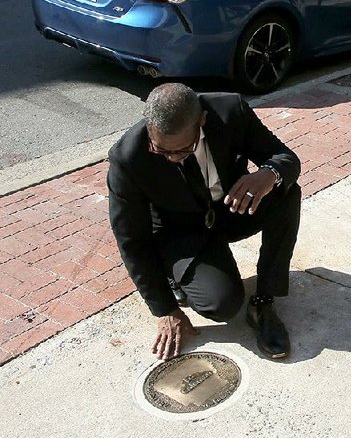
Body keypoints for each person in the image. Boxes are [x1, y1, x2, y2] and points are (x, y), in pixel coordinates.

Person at [107, 83, 302, 361]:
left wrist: (268, 174)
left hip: (231, 207)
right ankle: (173, 273)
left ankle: (263, 303)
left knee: (287, 193)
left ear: (203, 121)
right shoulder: (128, 159)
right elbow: (131, 241)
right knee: (221, 305)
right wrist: (164, 310)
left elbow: (286, 158)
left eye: (184, 150)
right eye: (162, 151)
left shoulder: (230, 110)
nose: (173, 159)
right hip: (181, 232)